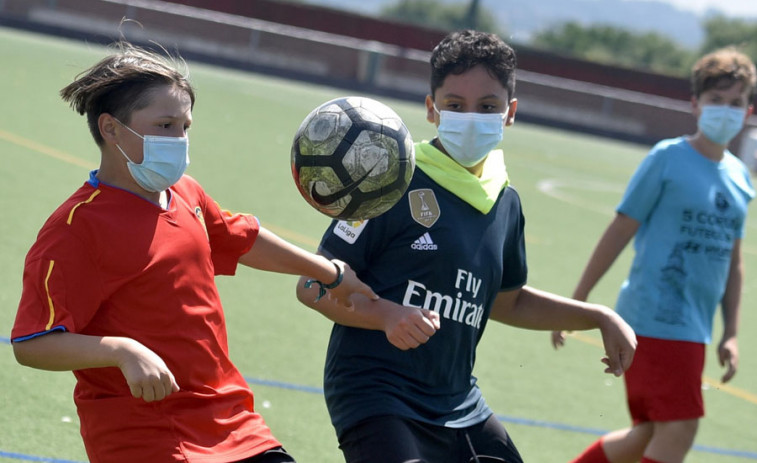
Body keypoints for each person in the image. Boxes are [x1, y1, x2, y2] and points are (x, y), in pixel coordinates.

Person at [10, 41, 377, 463]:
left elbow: (239, 238)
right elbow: (33, 342)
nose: (179, 139)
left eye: (185, 126)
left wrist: (329, 272)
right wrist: (121, 350)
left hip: (233, 424)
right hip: (148, 440)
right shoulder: (75, 229)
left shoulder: (184, 193)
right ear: (111, 129)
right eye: (165, 125)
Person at [295, 29, 637, 463]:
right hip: (377, 395)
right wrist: (385, 315)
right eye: (455, 106)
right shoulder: (391, 178)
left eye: (488, 107)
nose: (471, 117)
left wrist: (599, 316)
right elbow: (312, 284)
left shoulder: (504, 200)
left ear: (510, 113)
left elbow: (507, 302)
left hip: (457, 403)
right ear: (431, 109)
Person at [553, 47, 756, 463]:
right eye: (716, 100)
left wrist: (730, 331)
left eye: (735, 102)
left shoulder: (740, 177)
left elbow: (733, 260)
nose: (726, 110)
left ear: (748, 110)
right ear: (696, 104)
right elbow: (621, 228)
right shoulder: (668, 158)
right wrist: (579, 298)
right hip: (654, 318)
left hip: (693, 328)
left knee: (645, 436)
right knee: (679, 430)